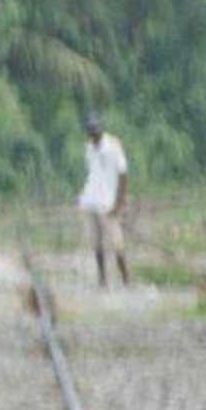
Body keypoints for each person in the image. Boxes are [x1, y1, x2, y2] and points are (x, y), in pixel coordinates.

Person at [78, 114, 130, 288]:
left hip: (108, 203)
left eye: (95, 129)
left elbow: (123, 174)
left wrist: (119, 203)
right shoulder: (88, 148)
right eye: (90, 130)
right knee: (96, 243)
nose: (93, 133)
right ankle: (102, 280)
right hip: (90, 201)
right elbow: (91, 173)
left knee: (117, 244)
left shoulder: (113, 145)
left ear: (101, 128)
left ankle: (126, 280)